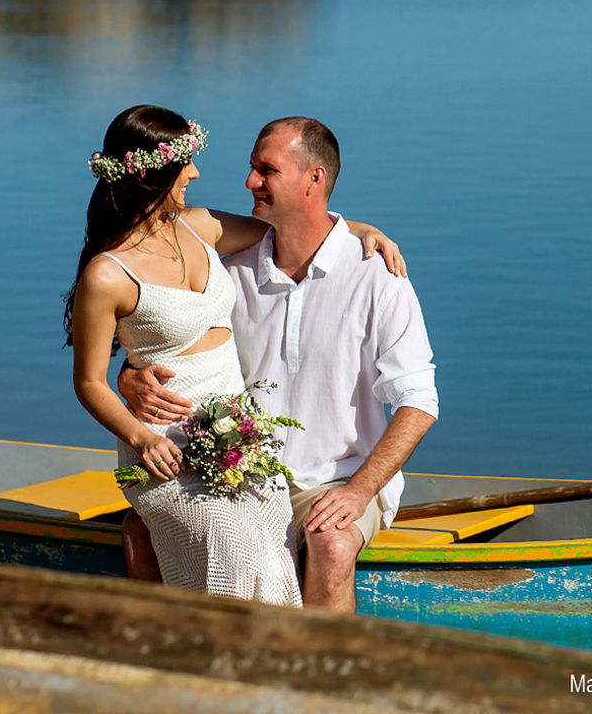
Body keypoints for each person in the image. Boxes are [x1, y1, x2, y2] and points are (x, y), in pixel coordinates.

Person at [66, 105, 403, 606]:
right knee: (231, 549)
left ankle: (254, 649)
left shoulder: (199, 228)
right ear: (152, 173)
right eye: (186, 162)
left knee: (268, 549)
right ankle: (227, 648)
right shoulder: (107, 275)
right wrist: (140, 435)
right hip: (166, 451)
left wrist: (358, 228)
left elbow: (290, 227)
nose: (196, 173)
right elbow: (88, 382)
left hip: (240, 441)